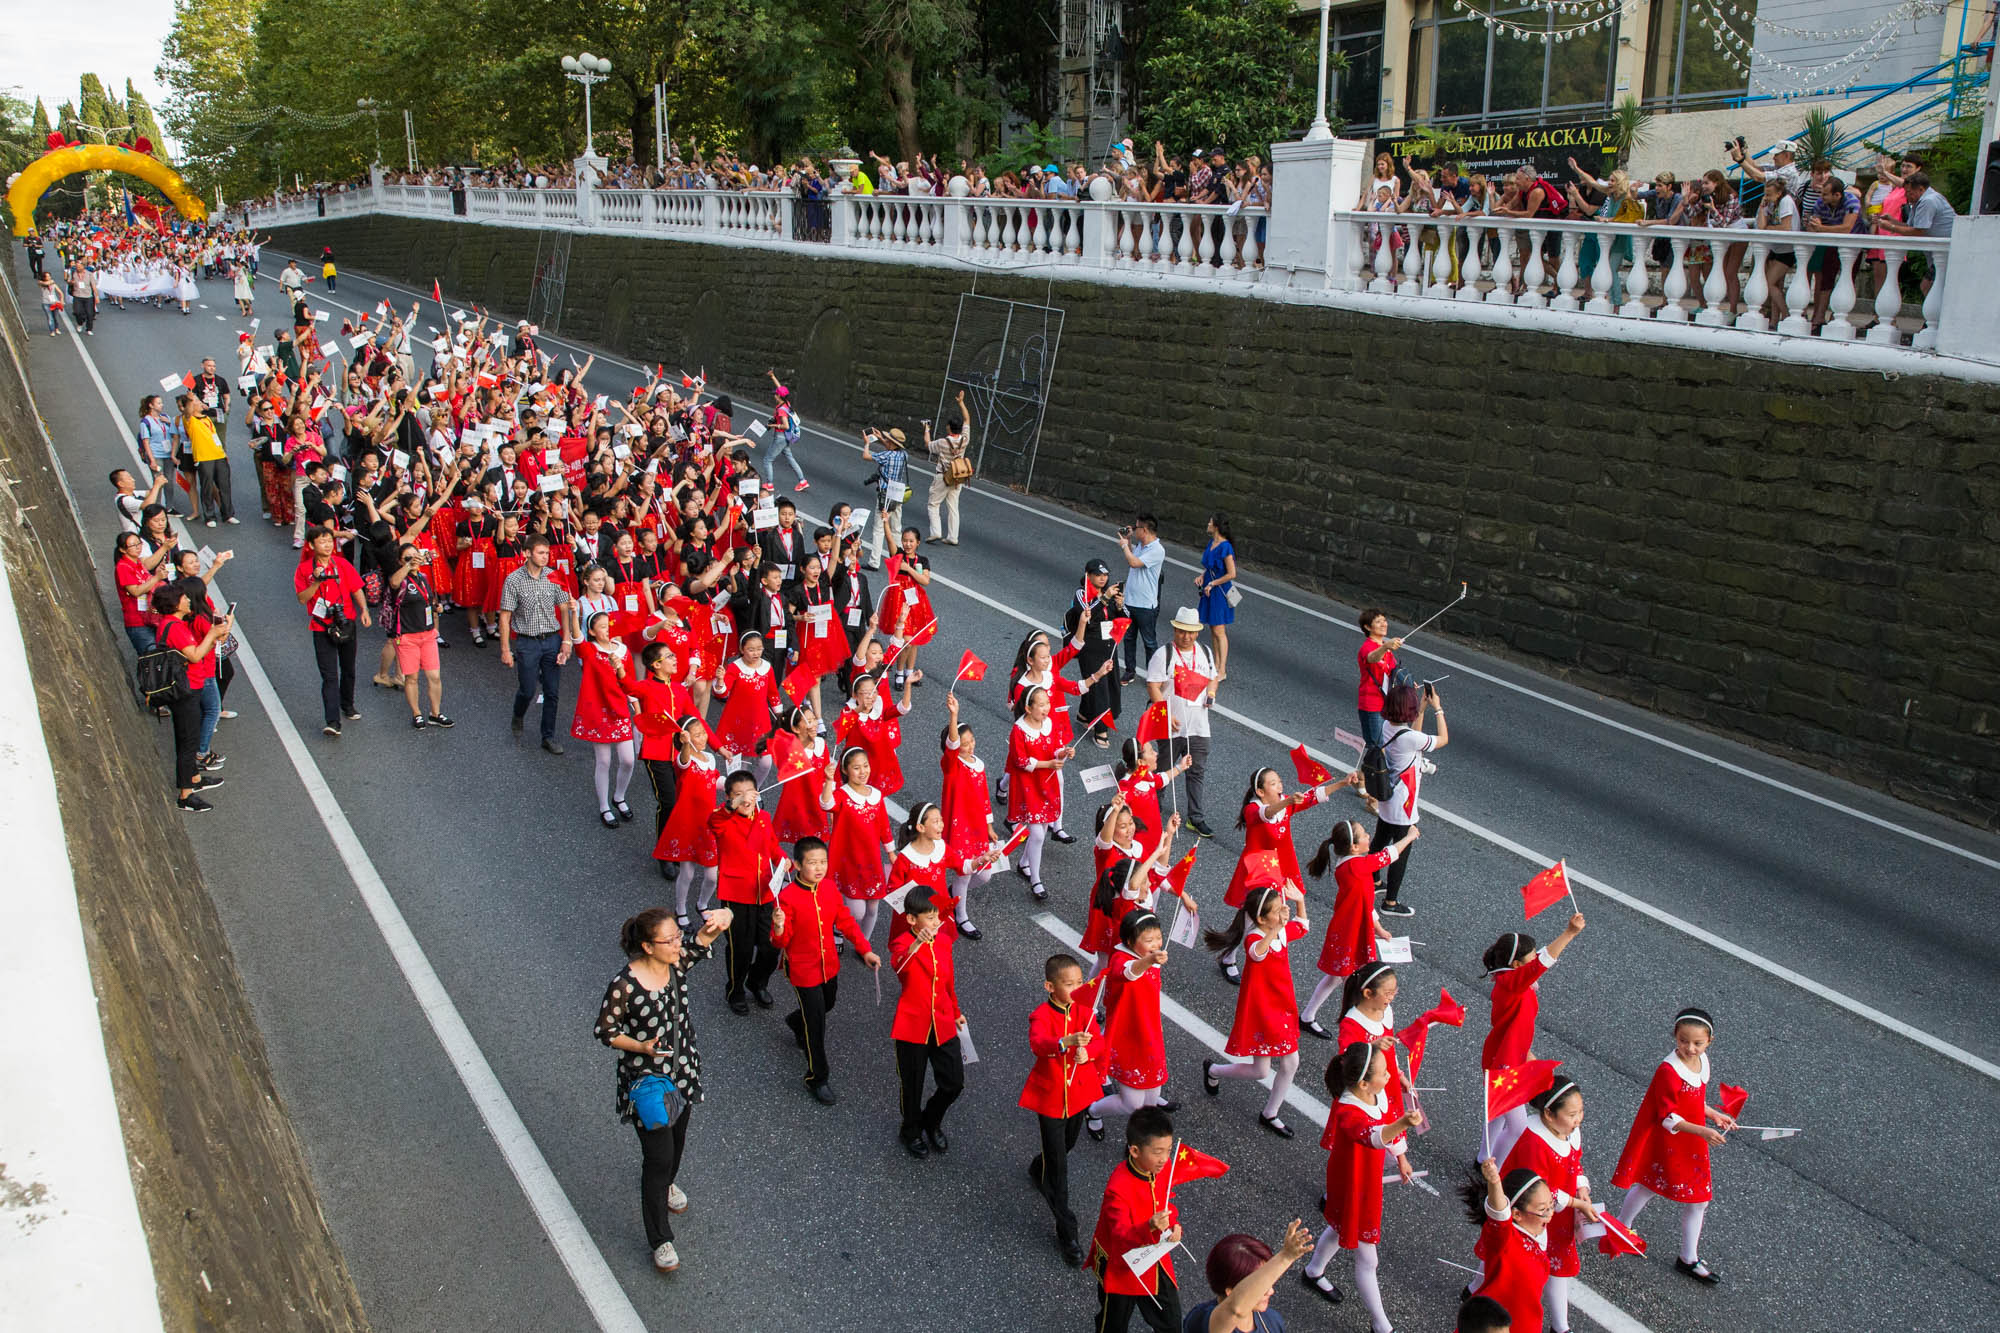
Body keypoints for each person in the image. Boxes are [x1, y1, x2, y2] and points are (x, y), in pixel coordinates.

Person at [594, 904, 731, 1274]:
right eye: (668, 939)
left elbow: (702, 940)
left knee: (677, 1143)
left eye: (676, 936)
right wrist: (641, 1046)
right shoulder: (624, 985)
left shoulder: (675, 965)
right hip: (647, 1084)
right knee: (657, 1159)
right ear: (647, 946)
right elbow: (605, 1032)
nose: (677, 943)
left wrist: (724, 918)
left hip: (682, 1073)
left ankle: (668, 1183)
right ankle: (660, 1239)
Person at [1609, 1007, 1736, 1285]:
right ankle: (1624, 1229)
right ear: (1674, 1037)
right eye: (1683, 1041)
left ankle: (1682, 1254)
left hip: (1691, 1138)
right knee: (1650, 1186)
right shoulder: (1669, 1070)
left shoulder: (1702, 1062)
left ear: (1709, 1042)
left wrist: (1712, 1113)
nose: (1689, 1048)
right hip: (1674, 1139)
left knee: (1693, 1197)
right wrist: (1703, 1130)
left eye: (1697, 1043)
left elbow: (1691, 1099)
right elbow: (1668, 1116)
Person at [1302, 1042, 1425, 1326]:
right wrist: (1404, 1124)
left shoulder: (1375, 1095)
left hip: (1365, 1179)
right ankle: (1381, 1324)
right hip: (1353, 1183)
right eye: (1383, 1074)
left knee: (1339, 1226)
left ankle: (1313, 1270)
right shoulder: (1347, 1111)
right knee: (1368, 1258)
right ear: (1364, 1083)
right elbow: (1372, 1135)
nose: (1389, 1078)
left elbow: (1386, 1127)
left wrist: (1402, 1158)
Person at [772, 835, 881, 1103]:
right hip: (803, 970)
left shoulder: (830, 889)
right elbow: (781, 941)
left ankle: (795, 1021)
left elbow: (845, 920)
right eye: (812, 863)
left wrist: (865, 948)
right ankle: (817, 1077)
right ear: (797, 865)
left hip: (828, 965)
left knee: (828, 1003)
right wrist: (777, 926)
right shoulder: (787, 898)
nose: (819, 868)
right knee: (817, 1024)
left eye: (823, 862)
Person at [1201, 884, 1310, 1138]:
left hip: (1282, 1006)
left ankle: (1270, 1112)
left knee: (1289, 1062)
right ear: (1261, 919)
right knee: (1262, 1070)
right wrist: (1276, 929)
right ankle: (1214, 1070)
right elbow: (1257, 953)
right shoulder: (1254, 937)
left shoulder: (1277, 932)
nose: (1283, 912)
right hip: (1263, 1011)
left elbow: (1302, 926)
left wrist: (1300, 902)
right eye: (1277, 910)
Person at [1021, 953, 1107, 1264]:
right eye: (1069, 984)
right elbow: (1039, 1044)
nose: (1077, 988)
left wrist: (1089, 1054)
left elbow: (1099, 1043)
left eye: (1080, 981)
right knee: (1059, 1168)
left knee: (1067, 1145)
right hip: (1051, 1099)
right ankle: (1067, 1231)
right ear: (1050, 986)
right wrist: (1065, 1042)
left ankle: (1036, 1166)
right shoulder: (1041, 1015)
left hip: (1079, 1094)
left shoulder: (1084, 1010)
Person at [1480, 915, 1586, 1163]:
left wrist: (1526, 1052)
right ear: (1517, 965)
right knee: (1516, 1127)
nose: (1535, 959)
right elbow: (1543, 962)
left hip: (1507, 1056)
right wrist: (1569, 933)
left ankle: (1484, 1157)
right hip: (1504, 1066)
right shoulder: (1513, 984)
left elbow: (1515, 1027)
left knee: (1496, 1115)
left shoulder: (1512, 981)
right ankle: (1494, 1171)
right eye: (1530, 957)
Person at [1500, 1077, 1602, 1333]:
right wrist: (1578, 1203)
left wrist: (1582, 1189)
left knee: (1557, 1270)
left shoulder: (1566, 1130)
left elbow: (1574, 1163)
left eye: (1580, 1112)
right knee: (1504, 1260)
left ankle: (1560, 1327)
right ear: (1548, 1113)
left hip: (1555, 1213)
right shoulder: (1535, 1142)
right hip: (1534, 1214)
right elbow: (1539, 1193)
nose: (1578, 1119)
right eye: (1572, 1114)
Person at [1301, 820, 1418, 1037]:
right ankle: (1357, 1032)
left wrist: (1379, 929)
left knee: (1337, 978)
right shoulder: (1357, 866)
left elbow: (1364, 903)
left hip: (1350, 929)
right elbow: (1388, 855)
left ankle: (1307, 1016)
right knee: (1354, 986)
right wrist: (1409, 837)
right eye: (1364, 834)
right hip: (1349, 934)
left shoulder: (1351, 864)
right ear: (1354, 846)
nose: (1368, 837)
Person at [1088, 1105, 1185, 1332]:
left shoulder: (1162, 1167)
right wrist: (1150, 1226)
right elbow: (1121, 1235)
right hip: (1121, 1265)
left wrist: (1173, 1225)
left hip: (1154, 1257)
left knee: (1171, 1325)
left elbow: (1165, 1202)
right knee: (1113, 1325)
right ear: (1134, 1151)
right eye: (1157, 1152)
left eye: (1168, 1150)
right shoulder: (1117, 1188)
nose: (1164, 1159)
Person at [889, 886, 966, 1157]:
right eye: (930, 918)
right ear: (912, 920)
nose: (936, 923)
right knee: (912, 1085)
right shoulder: (902, 943)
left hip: (942, 1020)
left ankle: (930, 1121)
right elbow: (900, 967)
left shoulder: (943, 941)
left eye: (938, 918)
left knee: (954, 1082)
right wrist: (916, 943)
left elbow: (948, 982)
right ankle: (910, 1130)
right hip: (913, 1025)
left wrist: (956, 1011)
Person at [708, 770, 786, 1014]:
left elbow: (772, 847)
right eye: (738, 795)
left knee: (771, 946)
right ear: (729, 798)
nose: (745, 799)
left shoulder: (763, 817)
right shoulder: (724, 820)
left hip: (764, 892)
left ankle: (757, 981)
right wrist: (731, 806)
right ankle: (736, 990)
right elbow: (715, 821)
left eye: (749, 793)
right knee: (740, 949)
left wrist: (785, 861)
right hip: (736, 894)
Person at [1367, 682, 1446, 918]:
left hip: (1387, 795)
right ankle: (1390, 902)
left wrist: (1421, 708)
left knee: (1380, 839)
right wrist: (1438, 709)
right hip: (1404, 801)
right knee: (1401, 850)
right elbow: (1442, 739)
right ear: (1407, 710)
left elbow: (1415, 734)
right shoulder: (1408, 737)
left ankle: (1373, 880)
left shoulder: (1387, 727)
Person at [153, 584, 231, 812]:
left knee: (191, 734)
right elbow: (195, 655)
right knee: (188, 741)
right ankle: (185, 794)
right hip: (185, 689)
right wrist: (212, 635)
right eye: (183, 598)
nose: (187, 600)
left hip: (190, 685)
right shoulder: (175, 627)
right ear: (175, 604)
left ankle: (195, 778)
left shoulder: (173, 624)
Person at [1146, 607, 1219, 837]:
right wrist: (1166, 714)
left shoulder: (1205, 653)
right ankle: (1152, 812)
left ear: (1197, 632)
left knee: (1196, 771)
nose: (1186, 636)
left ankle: (1195, 818)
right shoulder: (1164, 654)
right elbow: (1153, 686)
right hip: (1171, 726)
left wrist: (1211, 693)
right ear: (1175, 629)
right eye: (1181, 631)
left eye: (1190, 632)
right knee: (1163, 771)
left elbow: (1213, 678)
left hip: (1198, 725)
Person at [1459, 1160, 1555, 1333]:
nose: (1550, 1215)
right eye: (1543, 1210)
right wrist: (1494, 1183)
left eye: (1551, 1206)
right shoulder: (1505, 1239)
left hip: (1527, 1324)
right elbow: (1500, 1216)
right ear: (1517, 1214)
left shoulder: (1537, 1233)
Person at [499, 534, 575, 753]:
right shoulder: (513, 580)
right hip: (527, 642)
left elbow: (563, 609)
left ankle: (548, 736)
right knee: (528, 689)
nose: (545, 557)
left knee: (552, 691)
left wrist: (567, 640)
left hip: (552, 639)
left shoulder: (553, 576)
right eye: (541, 553)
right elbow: (505, 616)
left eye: (547, 553)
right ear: (527, 553)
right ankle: (518, 713)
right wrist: (505, 649)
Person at [294, 526, 368, 737]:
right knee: (329, 675)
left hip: (346, 622)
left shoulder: (342, 563)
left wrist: (364, 610)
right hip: (321, 625)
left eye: (329, 541)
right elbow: (302, 598)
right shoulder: (304, 569)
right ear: (311, 545)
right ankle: (332, 721)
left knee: (349, 668)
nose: (327, 545)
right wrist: (317, 581)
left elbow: (356, 588)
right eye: (322, 541)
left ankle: (348, 704)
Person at [1186, 1221, 1312, 1333]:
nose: (1271, 1291)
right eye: (1261, 1285)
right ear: (1231, 1291)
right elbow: (1235, 1309)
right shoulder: (1202, 1321)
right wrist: (1285, 1257)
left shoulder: (1273, 1321)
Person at [384, 542, 451, 728]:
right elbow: (394, 582)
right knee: (412, 678)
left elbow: (428, 599)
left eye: (416, 555)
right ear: (400, 561)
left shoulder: (423, 577)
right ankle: (417, 713)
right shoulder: (401, 580)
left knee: (434, 676)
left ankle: (435, 713)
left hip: (427, 634)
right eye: (407, 557)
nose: (413, 559)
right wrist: (408, 565)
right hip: (407, 636)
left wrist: (436, 607)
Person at [1065, 558, 1125, 747]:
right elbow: (1087, 615)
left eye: (1105, 575)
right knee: (1099, 687)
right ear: (1088, 575)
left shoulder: (1111, 593)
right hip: (1090, 647)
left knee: (1111, 684)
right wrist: (1104, 598)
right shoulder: (1082, 594)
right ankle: (1101, 730)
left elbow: (1124, 619)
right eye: (1098, 575)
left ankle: (1084, 713)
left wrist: (1120, 606)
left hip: (1109, 645)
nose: (1102, 579)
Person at [1116, 515, 1165, 685]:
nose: (1134, 530)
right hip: (1130, 601)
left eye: (1136, 528)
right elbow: (1133, 558)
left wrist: (1124, 547)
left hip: (1145, 605)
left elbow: (1134, 563)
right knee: (1129, 638)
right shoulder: (1141, 546)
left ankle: (1154, 674)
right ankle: (1130, 671)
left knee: (1149, 642)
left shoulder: (1157, 550)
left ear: (1144, 530)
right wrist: (1128, 542)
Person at [923, 391, 972, 546]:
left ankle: (936, 531)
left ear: (949, 428)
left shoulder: (943, 442)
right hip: (958, 477)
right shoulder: (965, 439)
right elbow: (967, 419)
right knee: (953, 506)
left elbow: (928, 445)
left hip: (943, 477)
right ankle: (953, 536)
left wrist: (926, 429)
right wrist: (961, 402)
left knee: (933, 503)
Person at [860, 426, 909, 569]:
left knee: (879, 528)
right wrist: (881, 438)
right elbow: (891, 447)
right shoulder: (904, 455)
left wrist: (867, 443)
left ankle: (874, 561)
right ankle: (900, 560)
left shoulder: (887, 456)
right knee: (896, 528)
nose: (885, 441)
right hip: (898, 493)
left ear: (892, 443)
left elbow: (866, 456)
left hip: (886, 494)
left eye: (888, 439)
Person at [1195, 514, 1237, 680]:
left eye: (1210, 522)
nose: (1208, 524)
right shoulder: (1212, 543)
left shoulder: (1226, 547)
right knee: (1213, 629)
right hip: (1209, 590)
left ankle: (1222, 669)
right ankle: (1217, 665)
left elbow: (1231, 573)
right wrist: (1202, 575)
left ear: (1216, 526)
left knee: (1219, 630)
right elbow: (1211, 568)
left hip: (1219, 592)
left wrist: (1213, 583)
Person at [113, 532, 169, 655]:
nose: (138, 547)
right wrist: (157, 578)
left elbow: (147, 583)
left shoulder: (137, 563)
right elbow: (136, 591)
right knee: (151, 658)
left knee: (159, 656)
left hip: (149, 617)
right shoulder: (123, 567)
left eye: (139, 543)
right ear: (123, 549)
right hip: (137, 621)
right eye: (133, 545)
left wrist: (156, 574)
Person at [1355, 609, 1402, 749]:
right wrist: (1386, 646)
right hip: (1371, 705)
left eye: (1384, 620)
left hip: (1386, 705)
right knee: (1377, 748)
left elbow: (1394, 673)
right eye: (1378, 622)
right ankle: (1370, 771)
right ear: (1368, 627)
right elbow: (1372, 658)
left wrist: (1407, 683)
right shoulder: (1368, 647)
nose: (1383, 624)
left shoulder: (1386, 649)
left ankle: (1369, 771)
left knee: (1383, 748)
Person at [137, 395, 182, 514]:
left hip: (168, 454)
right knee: (159, 481)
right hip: (155, 454)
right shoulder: (146, 421)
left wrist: (170, 422)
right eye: (158, 403)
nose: (162, 405)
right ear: (151, 405)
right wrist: (151, 460)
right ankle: (155, 507)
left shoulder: (165, 417)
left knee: (170, 481)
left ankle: (169, 507)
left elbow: (175, 434)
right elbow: (146, 441)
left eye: (161, 403)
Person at [37, 271, 63, 335]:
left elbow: (60, 292)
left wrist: (61, 300)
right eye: (47, 276)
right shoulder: (41, 284)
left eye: (49, 276)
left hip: (54, 303)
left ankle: (56, 328)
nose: (49, 277)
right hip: (46, 303)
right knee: (50, 317)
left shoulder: (53, 285)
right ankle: (52, 331)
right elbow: (44, 283)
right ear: (44, 277)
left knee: (56, 317)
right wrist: (50, 281)